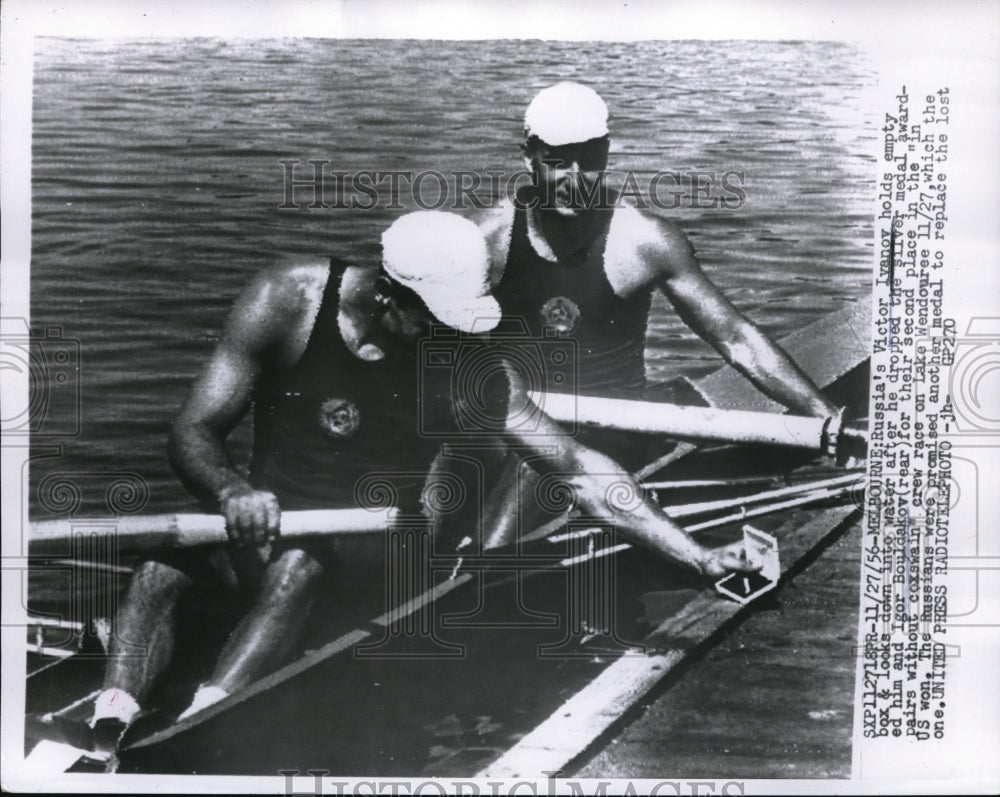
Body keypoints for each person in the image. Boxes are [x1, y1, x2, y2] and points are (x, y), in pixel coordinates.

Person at [84, 211, 759, 765]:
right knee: (158, 568)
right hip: (266, 523)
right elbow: (193, 430)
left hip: (381, 553)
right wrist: (232, 491)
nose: (451, 336)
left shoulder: (466, 363)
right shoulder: (285, 300)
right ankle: (108, 720)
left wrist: (696, 555)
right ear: (388, 294)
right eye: (435, 317)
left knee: (300, 564)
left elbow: (579, 468)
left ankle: (203, 720)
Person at [472, 82, 847, 544]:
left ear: (606, 154)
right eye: (556, 160)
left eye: (589, 160)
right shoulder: (482, 240)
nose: (575, 179)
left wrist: (826, 420)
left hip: (609, 428)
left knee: (502, 524)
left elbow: (734, 338)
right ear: (527, 157)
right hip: (516, 422)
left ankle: (480, 571)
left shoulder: (645, 240)